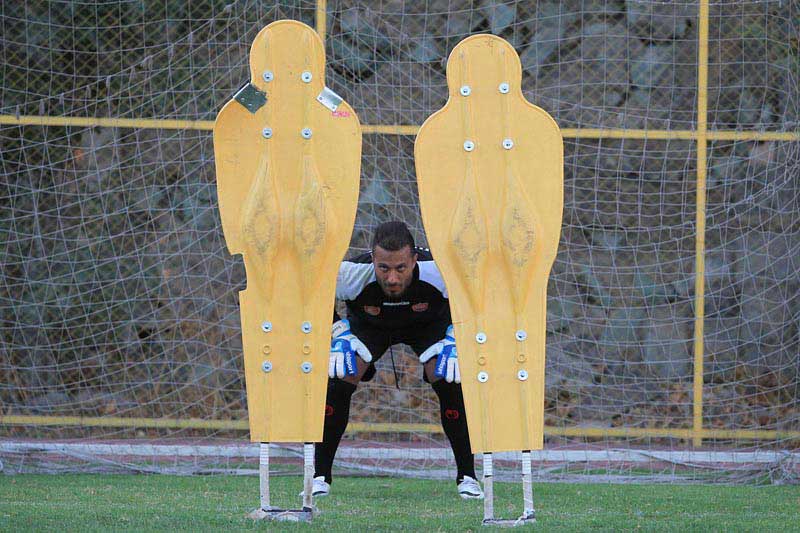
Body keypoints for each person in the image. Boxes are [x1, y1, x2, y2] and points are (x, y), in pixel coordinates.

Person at [305, 220, 483, 500]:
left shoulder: (440, 271)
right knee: (338, 379)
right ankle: (320, 476)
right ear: (373, 259)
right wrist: (338, 331)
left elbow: (477, 296)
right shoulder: (350, 273)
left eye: (401, 267)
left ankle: (468, 477)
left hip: (428, 326)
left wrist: (455, 335)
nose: (392, 278)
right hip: (371, 327)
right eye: (384, 268)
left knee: (450, 379)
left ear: (414, 259)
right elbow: (312, 294)